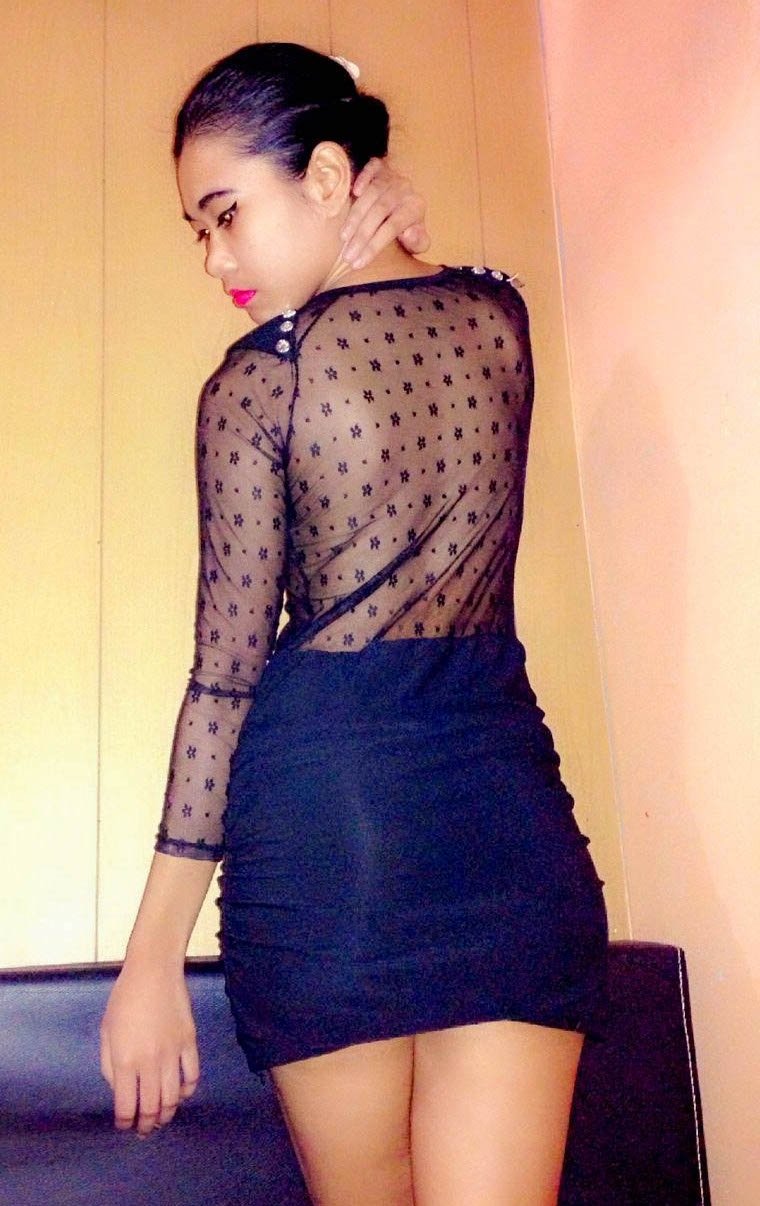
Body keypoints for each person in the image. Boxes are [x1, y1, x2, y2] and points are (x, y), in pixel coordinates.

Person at [100, 41, 609, 1206]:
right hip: (506, 832)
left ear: (329, 177)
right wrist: (389, 232)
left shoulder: (257, 383)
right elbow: (440, 293)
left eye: (226, 214)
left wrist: (152, 958)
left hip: (329, 843)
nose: (216, 258)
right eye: (199, 232)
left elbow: (225, 678)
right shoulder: (499, 316)